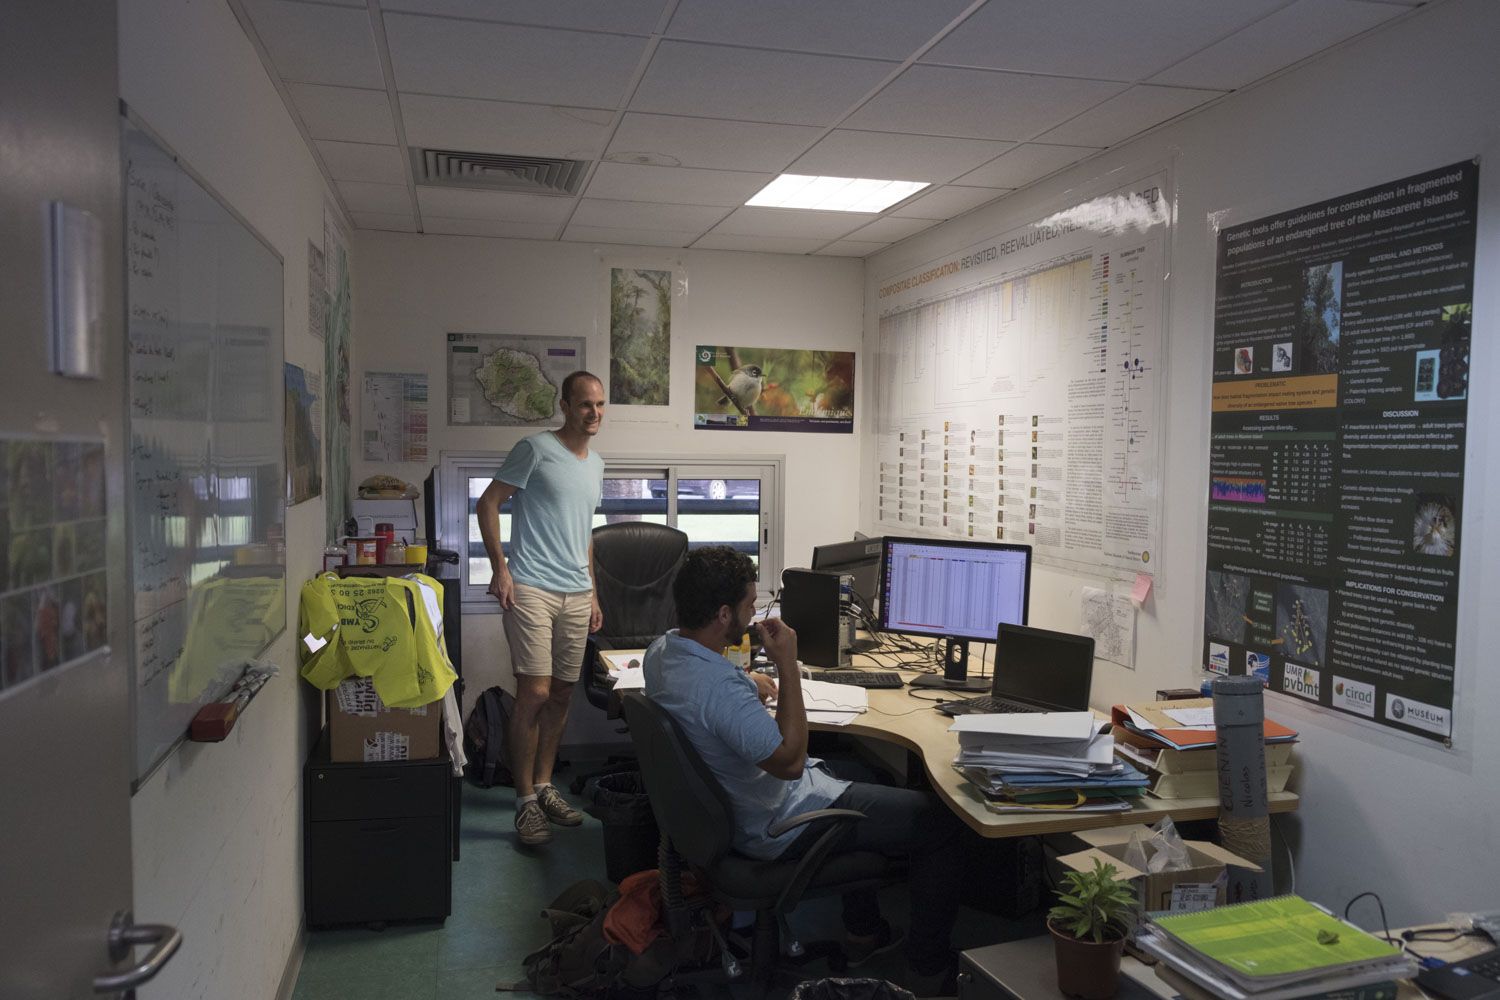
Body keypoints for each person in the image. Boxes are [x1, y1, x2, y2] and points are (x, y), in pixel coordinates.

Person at [642, 547, 962, 992]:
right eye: (749, 605)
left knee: (876, 778)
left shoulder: (662, 652)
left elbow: (710, 697)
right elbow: (791, 762)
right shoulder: (718, 690)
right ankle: (928, 970)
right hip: (776, 823)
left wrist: (746, 681)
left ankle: (863, 932)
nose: (754, 613)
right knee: (940, 822)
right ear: (722, 614)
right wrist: (786, 664)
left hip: (720, 815)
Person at [476, 370, 606, 847]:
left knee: (562, 695)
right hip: (531, 587)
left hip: (576, 591)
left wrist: (594, 592)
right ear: (566, 405)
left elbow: (584, 532)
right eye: (585, 404)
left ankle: (547, 787)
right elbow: (488, 504)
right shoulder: (534, 448)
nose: (594, 413)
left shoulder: (596, 464)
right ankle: (524, 801)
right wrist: (501, 569)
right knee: (533, 691)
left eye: (600, 405)